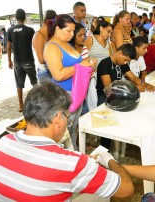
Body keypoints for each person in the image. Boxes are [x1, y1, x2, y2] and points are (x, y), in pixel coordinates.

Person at [0, 82, 134, 201]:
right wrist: (109, 160)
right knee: (101, 196)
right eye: (67, 115)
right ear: (58, 117)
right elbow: (127, 189)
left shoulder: (2, 143)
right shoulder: (72, 164)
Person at [44, 14, 94, 150]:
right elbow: (58, 74)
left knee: (72, 128)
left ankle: (74, 153)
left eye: (73, 31)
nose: (72, 34)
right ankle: (67, 159)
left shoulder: (66, 44)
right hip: (63, 96)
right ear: (57, 29)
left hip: (77, 93)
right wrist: (80, 66)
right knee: (62, 133)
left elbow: (78, 65)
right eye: (69, 31)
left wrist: (88, 66)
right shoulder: (51, 47)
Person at [97, 44, 155, 148]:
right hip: (106, 97)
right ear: (120, 53)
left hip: (119, 95)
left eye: (127, 61)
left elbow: (133, 78)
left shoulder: (122, 63)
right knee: (108, 126)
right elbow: (108, 88)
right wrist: (135, 88)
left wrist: (145, 84)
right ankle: (104, 148)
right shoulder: (104, 63)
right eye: (125, 60)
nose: (125, 63)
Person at [7, 8, 38, 112]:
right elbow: (35, 44)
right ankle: (36, 103)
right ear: (25, 18)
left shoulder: (10, 30)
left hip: (17, 62)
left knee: (19, 84)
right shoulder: (30, 30)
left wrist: (9, 60)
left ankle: (21, 105)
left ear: (15, 18)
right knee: (34, 83)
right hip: (28, 60)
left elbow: (8, 46)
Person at [32, 9, 57, 83]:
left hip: (51, 70)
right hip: (45, 72)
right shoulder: (38, 36)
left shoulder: (48, 34)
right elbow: (41, 60)